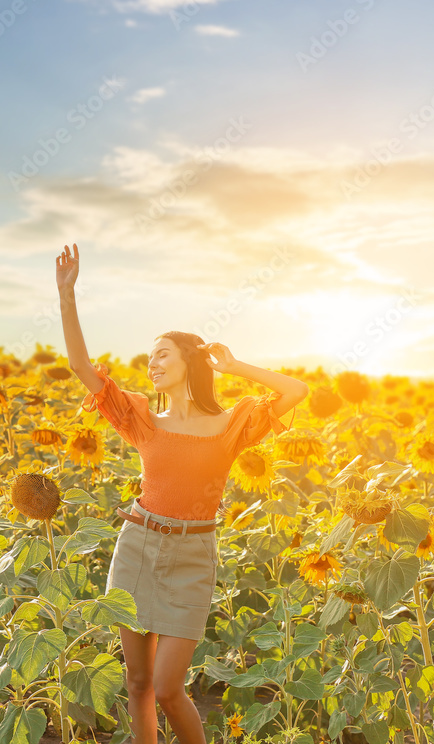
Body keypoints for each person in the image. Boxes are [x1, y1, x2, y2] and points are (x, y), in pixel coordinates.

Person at [56, 242, 309, 744]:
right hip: (137, 547)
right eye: (149, 358)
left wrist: (234, 367)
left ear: (190, 361)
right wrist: (67, 295)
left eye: (162, 355)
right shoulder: (142, 418)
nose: (151, 365)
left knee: (170, 689)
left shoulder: (232, 424)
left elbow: (295, 391)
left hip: (193, 555)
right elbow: (82, 367)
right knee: (138, 683)